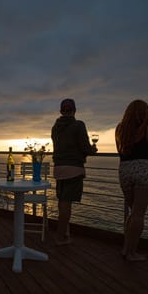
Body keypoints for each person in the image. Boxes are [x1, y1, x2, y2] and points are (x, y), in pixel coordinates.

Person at [115, 99, 148, 261]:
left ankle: (125, 248)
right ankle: (132, 253)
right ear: (146, 113)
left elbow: (122, 151)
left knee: (133, 212)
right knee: (138, 214)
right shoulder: (147, 129)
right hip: (143, 170)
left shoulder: (119, 129)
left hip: (125, 171)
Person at [51, 98, 97, 245]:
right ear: (75, 110)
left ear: (61, 111)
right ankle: (60, 237)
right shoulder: (78, 125)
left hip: (58, 168)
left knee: (62, 202)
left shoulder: (55, 127)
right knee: (66, 204)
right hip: (73, 169)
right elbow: (85, 148)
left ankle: (64, 233)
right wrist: (92, 150)